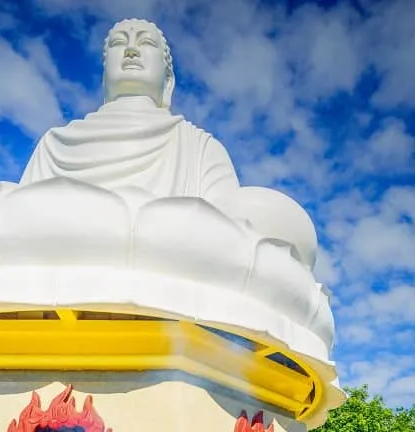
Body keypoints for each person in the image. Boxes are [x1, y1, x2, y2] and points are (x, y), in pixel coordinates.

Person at [20, 18, 318, 270]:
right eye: (118, 43)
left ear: (168, 80)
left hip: (168, 262)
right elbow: (20, 215)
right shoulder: (54, 143)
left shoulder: (199, 147)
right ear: (103, 76)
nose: (132, 51)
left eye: (146, 43)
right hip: (60, 258)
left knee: (266, 217)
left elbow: (227, 226)